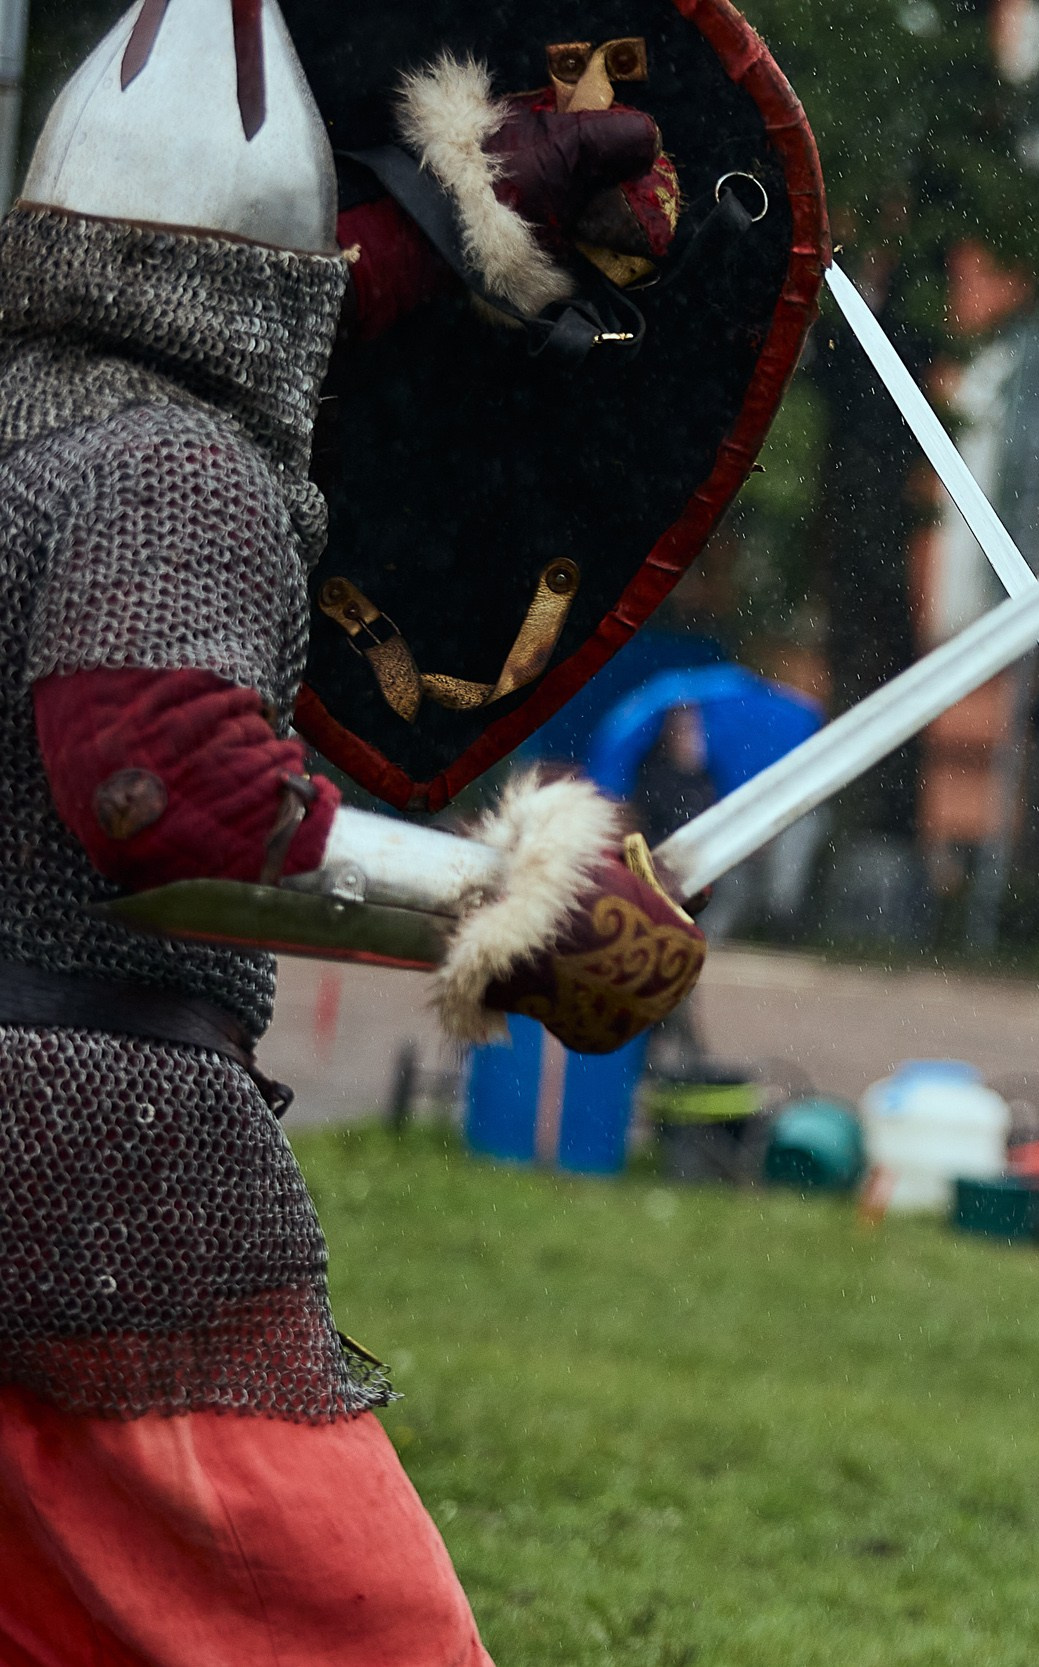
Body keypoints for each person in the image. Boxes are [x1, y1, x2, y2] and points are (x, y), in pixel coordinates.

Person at [0, 6, 701, 1657]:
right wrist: (506, 894)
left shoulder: (29, 418)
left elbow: (307, 302)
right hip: (82, 1170)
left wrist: (475, 212)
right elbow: (155, 789)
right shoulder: (176, 471)